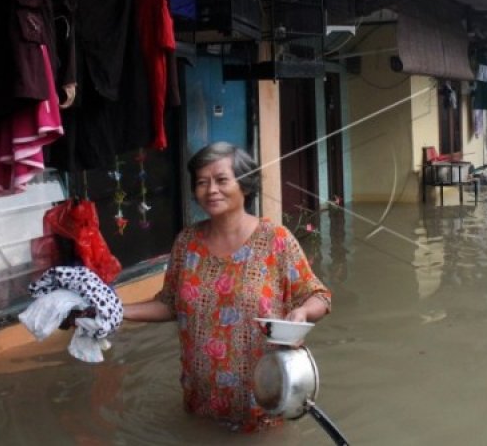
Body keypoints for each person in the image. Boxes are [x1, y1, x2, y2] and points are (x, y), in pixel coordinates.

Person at [122, 141, 332, 432]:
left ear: (244, 185)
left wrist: (303, 313)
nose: (211, 190)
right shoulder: (186, 243)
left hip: (263, 403)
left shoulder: (276, 240)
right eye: (202, 182)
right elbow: (169, 303)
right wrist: (115, 309)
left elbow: (318, 295)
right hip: (200, 402)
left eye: (221, 180)